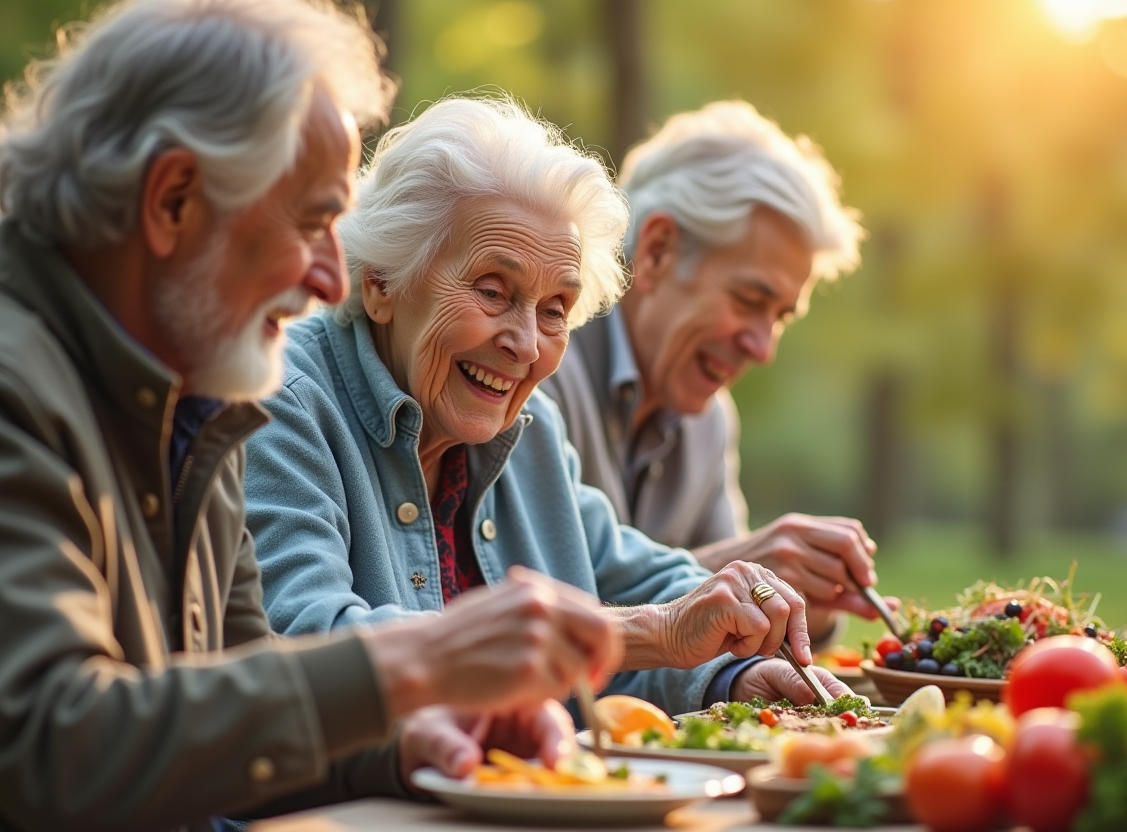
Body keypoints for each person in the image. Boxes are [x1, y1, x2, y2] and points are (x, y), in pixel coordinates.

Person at [0, 3, 622, 830]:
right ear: (173, 199)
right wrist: (419, 661)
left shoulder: (197, 401)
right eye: (311, 222)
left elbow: (242, 706)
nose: (336, 277)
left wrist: (416, 737)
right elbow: (43, 744)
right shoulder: (19, 386)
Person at [243, 95, 853, 719]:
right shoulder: (282, 402)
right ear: (380, 283)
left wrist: (736, 674)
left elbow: (635, 582)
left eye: (555, 309)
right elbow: (309, 641)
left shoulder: (529, 431)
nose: (525, 343)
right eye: (491, 290)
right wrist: (649, 632)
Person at [541, 101, 889, 648]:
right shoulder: (536, 368)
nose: (762, 346)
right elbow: (530, 611)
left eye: (779, 317)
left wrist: (808, 603)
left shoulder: (710, 421)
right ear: (656, 252)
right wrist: (741, 563)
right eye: (750, 299)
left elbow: (733, 636)